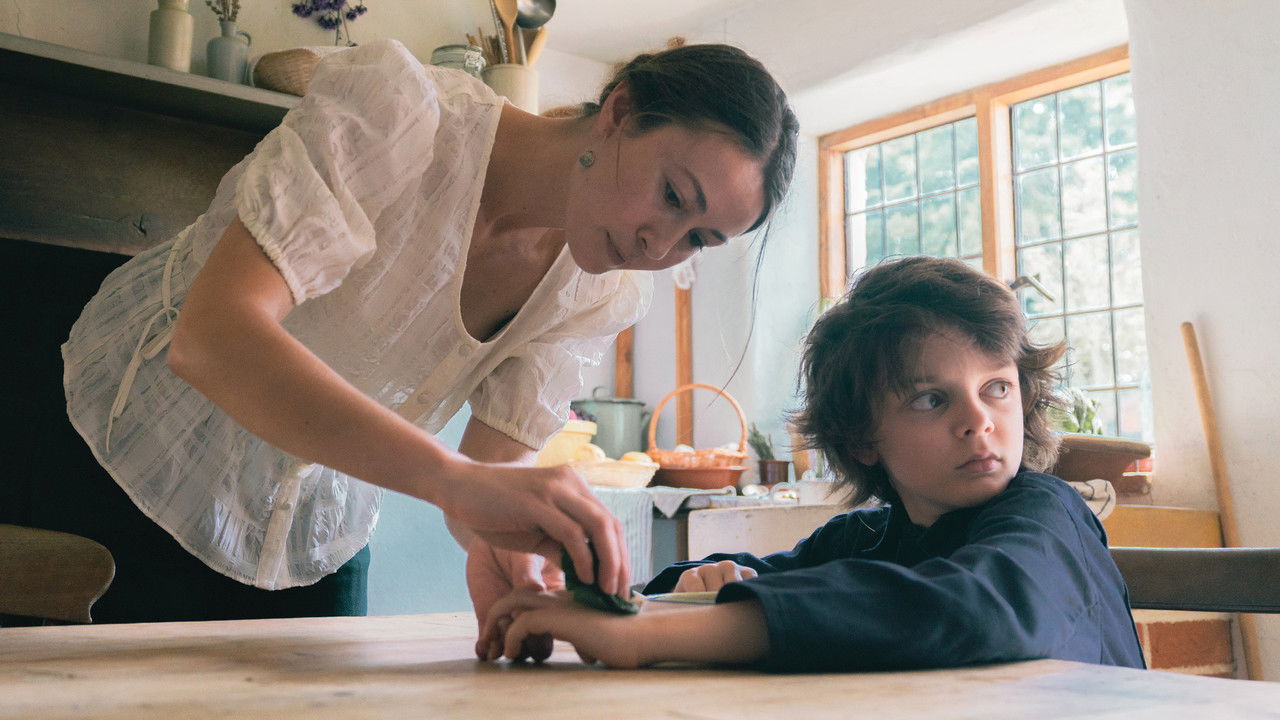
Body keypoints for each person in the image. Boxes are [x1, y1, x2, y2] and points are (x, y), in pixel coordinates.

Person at [34, 39, 798, 626]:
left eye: (698, 240)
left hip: (298, 533)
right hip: (122, 444)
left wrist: (529, 567)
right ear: (621, 110)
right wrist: (454, 483)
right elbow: (211, 335)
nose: (660, 247)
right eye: (673, 195)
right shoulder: (403, 115)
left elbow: (488, 481)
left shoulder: (594, 292)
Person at [480, 256, 1146, 671]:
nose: (978, 419)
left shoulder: (1046, 513)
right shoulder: (870, 538)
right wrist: (681, 591)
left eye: (996, 387)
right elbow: (766, 582)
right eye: (931, 398)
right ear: (862, 439)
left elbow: (973, 609)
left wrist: (648, 637)